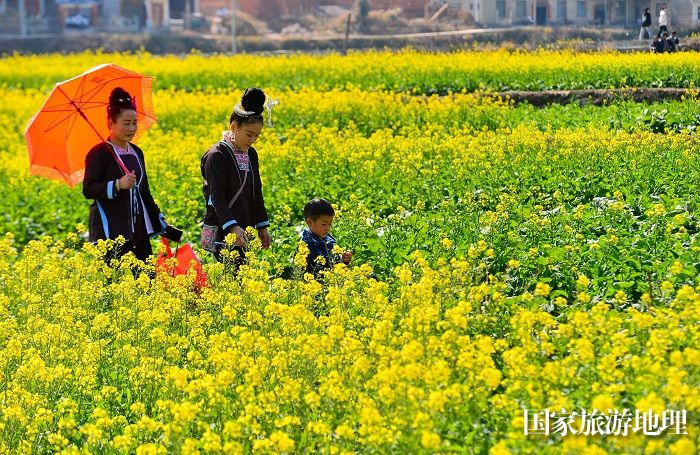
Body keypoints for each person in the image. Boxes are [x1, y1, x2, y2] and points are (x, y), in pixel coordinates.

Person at [83, 87, 167, 261]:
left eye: (135, 122)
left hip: (139, 227)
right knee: (114, 280)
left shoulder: (137, 151)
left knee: (147, 279)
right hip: (110, 229)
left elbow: (144, 191)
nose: (132, 128)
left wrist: (159, 219)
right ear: (110, 124)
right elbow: (89, 189)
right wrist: (118, 185)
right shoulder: (99, 153)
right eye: (126, 123)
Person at [201, 88, 271, 265]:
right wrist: (232, 227)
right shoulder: (216, 155)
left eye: (257, 135)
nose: (252, 140)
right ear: (233, 126)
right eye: (249, 134)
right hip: (223, 230)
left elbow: (257, 191)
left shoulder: (251, 154)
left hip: (245, 227)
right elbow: (216, 196)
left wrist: (262, 226)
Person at [299, 198, 352, 277]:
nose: (327, 228)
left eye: (330, 224)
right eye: (324, 224)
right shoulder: (305, 246)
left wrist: (343, 260)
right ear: (309, 222)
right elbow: (300, 273)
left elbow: (335, 265)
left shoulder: (329, 241)